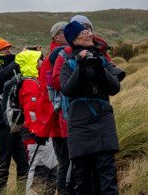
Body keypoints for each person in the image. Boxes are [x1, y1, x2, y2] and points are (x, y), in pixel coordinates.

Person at [50, 16, 116, 192]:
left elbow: (115, 87)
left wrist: (100, 66)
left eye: (89, 31)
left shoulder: (101, 59)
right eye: (84, 32)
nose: (89, 34)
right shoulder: (67, 63)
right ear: (74, 39)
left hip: (104, 122)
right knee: (83, 179)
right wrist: (80, 66)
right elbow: (66, 89)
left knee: (108, 176)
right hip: (79, 126)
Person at [0, 38, 29, 194]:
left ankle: (22, 192)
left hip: (15, 123)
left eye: (9, 49)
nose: (8, 52)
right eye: (5, 50)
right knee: (2, 164)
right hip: (1, 124)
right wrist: (18, 59)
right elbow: (2, 76)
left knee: (24, 163)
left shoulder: (13, 67)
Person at [16, 48, 57, 194]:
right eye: (38, 59)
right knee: (37, 171)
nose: (41, 62)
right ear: (31, 63)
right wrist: (36, 131)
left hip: (43, 132)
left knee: (50, 169)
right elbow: (31, 111)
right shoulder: (31, 84)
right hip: (36, 135)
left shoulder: (34, 80)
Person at [40, 21, 70, 193]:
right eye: (64, 32)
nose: (68, 33)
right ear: (55, 37)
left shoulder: (65, 54)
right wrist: (49, 125)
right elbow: (47, 96)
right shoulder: (53, 59)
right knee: (66, 161)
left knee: (67, 162)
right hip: (59, 123)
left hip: (64, 121)